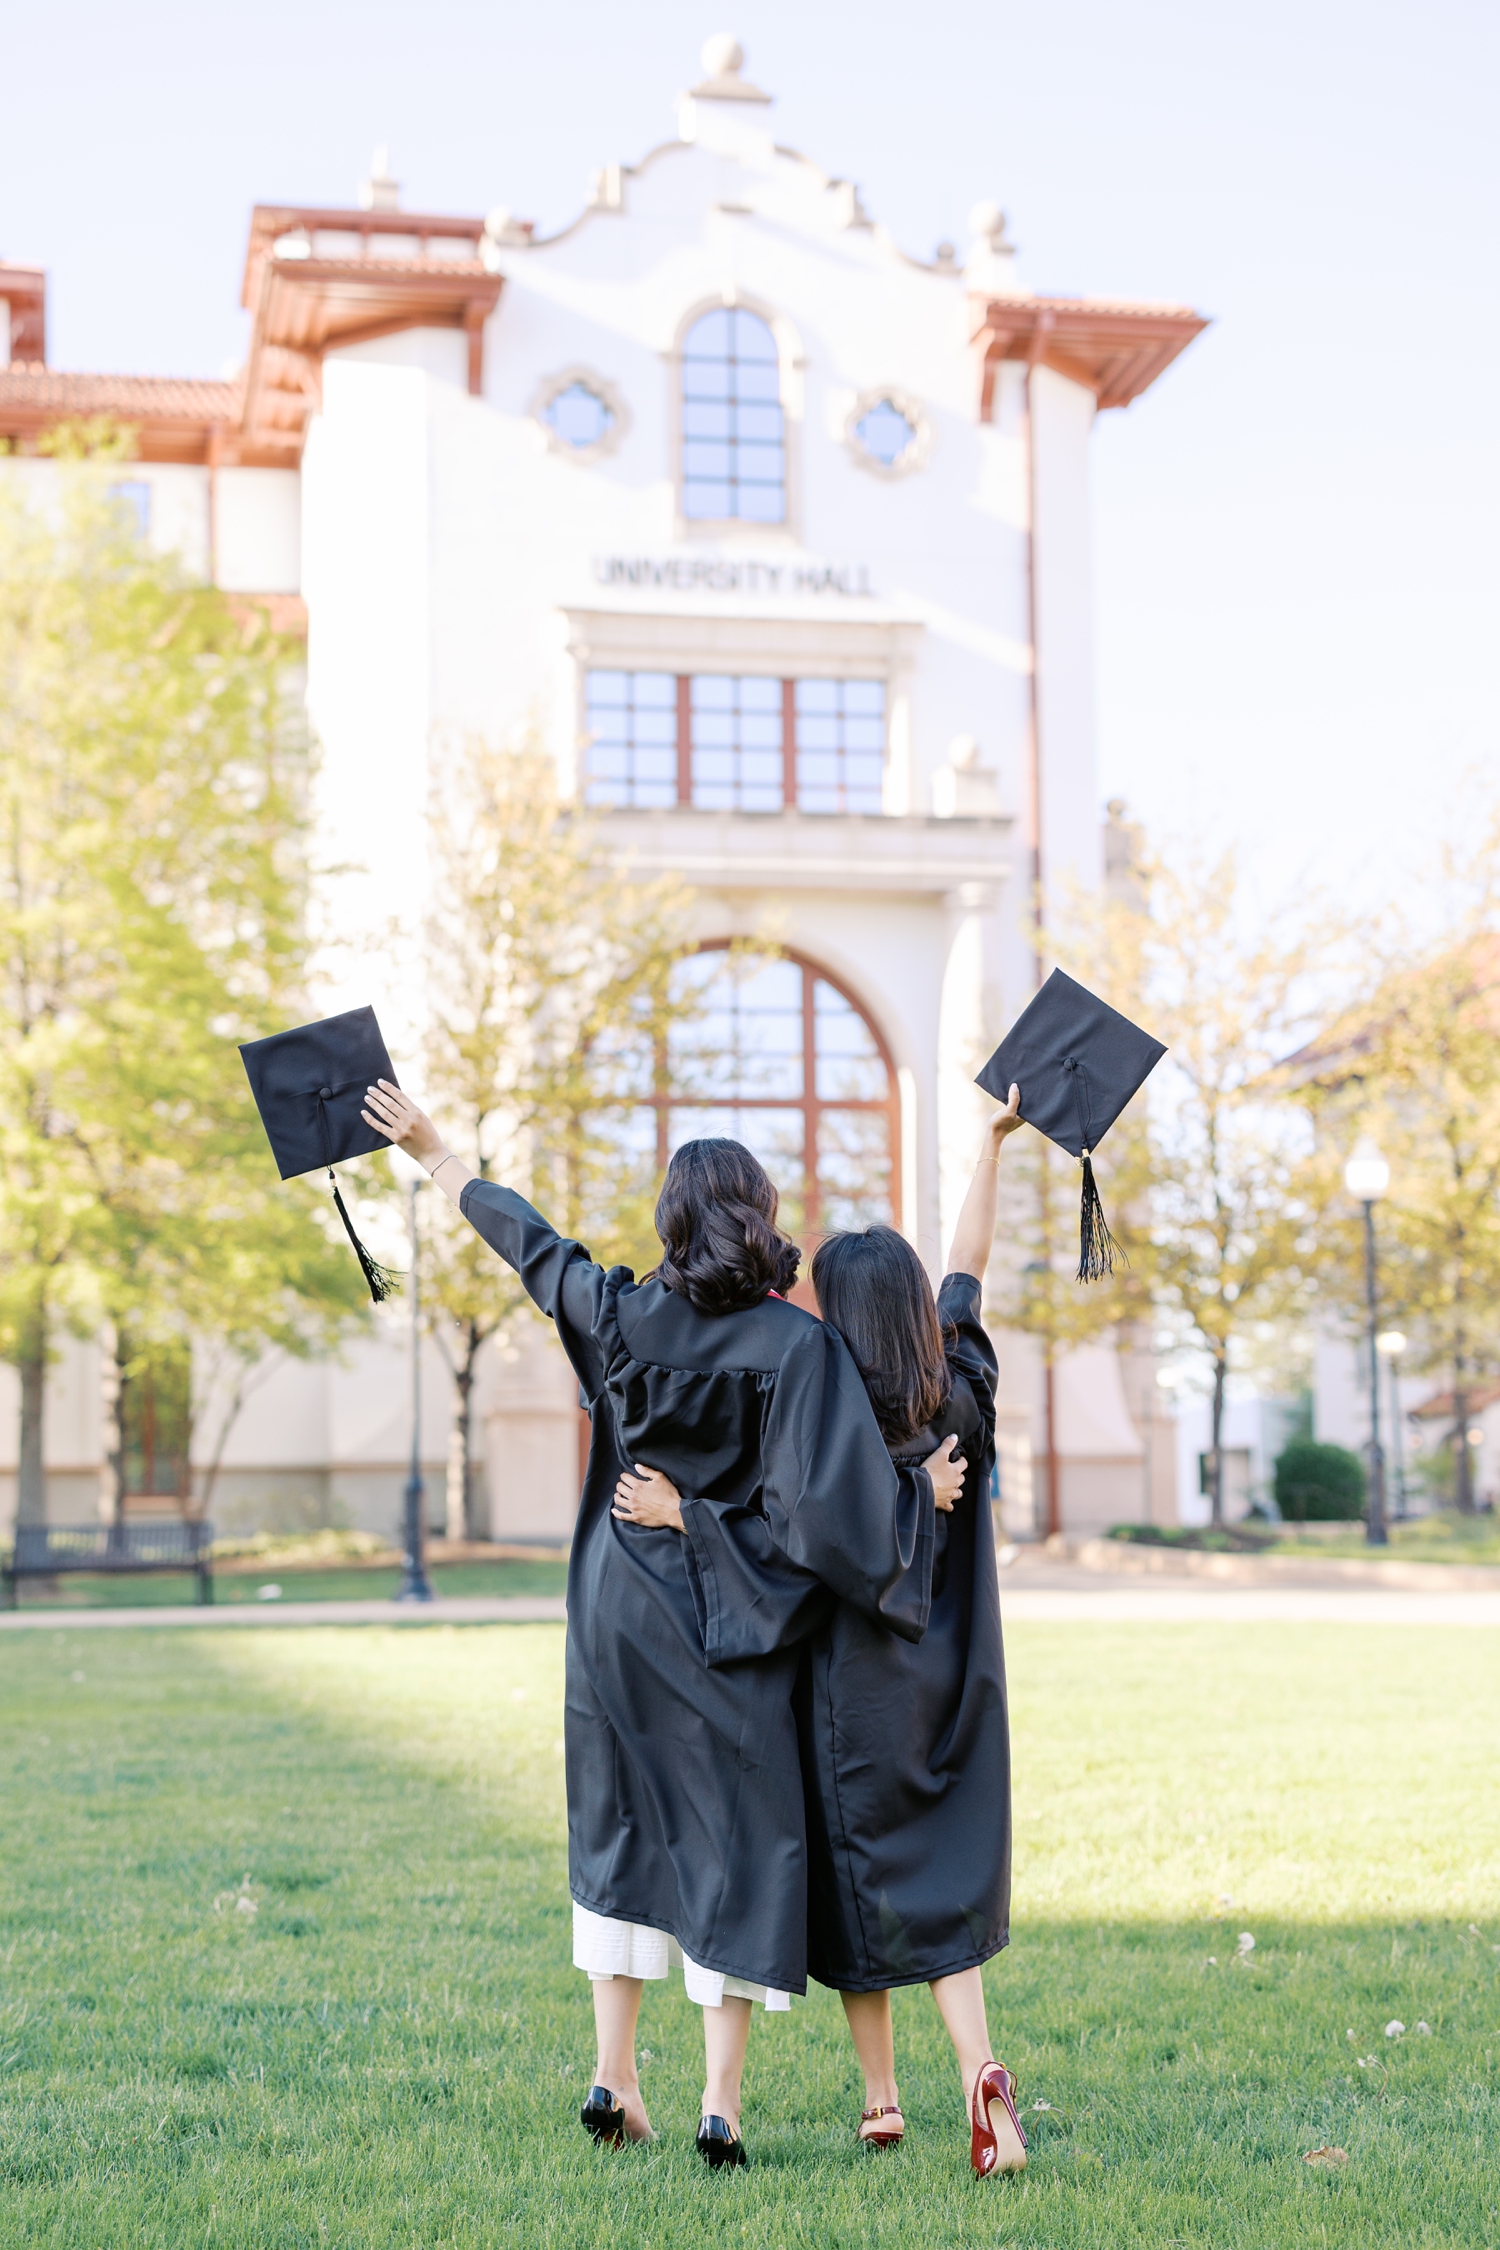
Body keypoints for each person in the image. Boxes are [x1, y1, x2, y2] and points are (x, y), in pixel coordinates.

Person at [360, 1082, 955, 2166]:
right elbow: (829, 1516)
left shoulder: (618, 1314)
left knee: (622, 1825)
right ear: (760, 1214)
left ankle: (614, 2075)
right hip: (726, 1621)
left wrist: (435, 1151)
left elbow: (531, 1246)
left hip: (613, 1615)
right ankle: (717, 2103)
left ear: (671, 1220)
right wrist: (921, 1494)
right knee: (733, 1839)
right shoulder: (796, 1347)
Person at [613, 1089, 1027, 2176]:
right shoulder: (963, 1392)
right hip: (953, 1694)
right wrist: (986, 1147)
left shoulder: (828, 1397)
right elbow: (967, 1266)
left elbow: (793, 1526)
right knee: (943, 1892)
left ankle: (883, 2102)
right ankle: (980, 2069)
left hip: (849, 1695)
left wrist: (681, 1514)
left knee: (858, 1901)